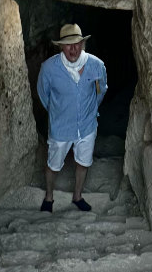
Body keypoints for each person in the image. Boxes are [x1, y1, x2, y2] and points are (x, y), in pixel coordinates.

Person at [36, 23, 107, 212]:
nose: (73, 48)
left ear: (83, 43)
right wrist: (58, 112)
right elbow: (44, 95)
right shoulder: (49, 68)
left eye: (77, 43)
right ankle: (49, 198)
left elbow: (101, 91)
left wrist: (90, 111)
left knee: (83, 162)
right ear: (60, 46)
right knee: (53, 164)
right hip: (61, 126)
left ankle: (78, 196)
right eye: (68, 44)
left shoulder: (96, 65)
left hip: (87, 125)